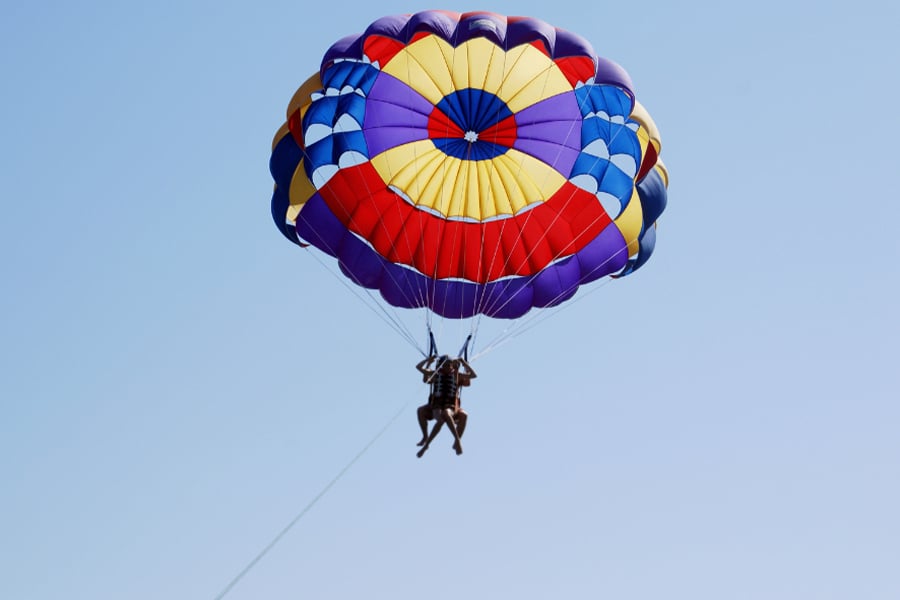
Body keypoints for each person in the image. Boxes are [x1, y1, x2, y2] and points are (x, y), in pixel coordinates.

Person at [414, 354, 477, 457]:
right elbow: (419, 368)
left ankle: (457, 441)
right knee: (438, 418)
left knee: (457, 414)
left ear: (452, 365)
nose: (447, 367)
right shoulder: (435, 374)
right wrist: (428, 360)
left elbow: (473, 375)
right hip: (436, 405)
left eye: (449, 365)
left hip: (451, 406)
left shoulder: (457, 375)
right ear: (441, 365)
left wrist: (465, 363)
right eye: (445, 365)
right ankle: (426, 440)